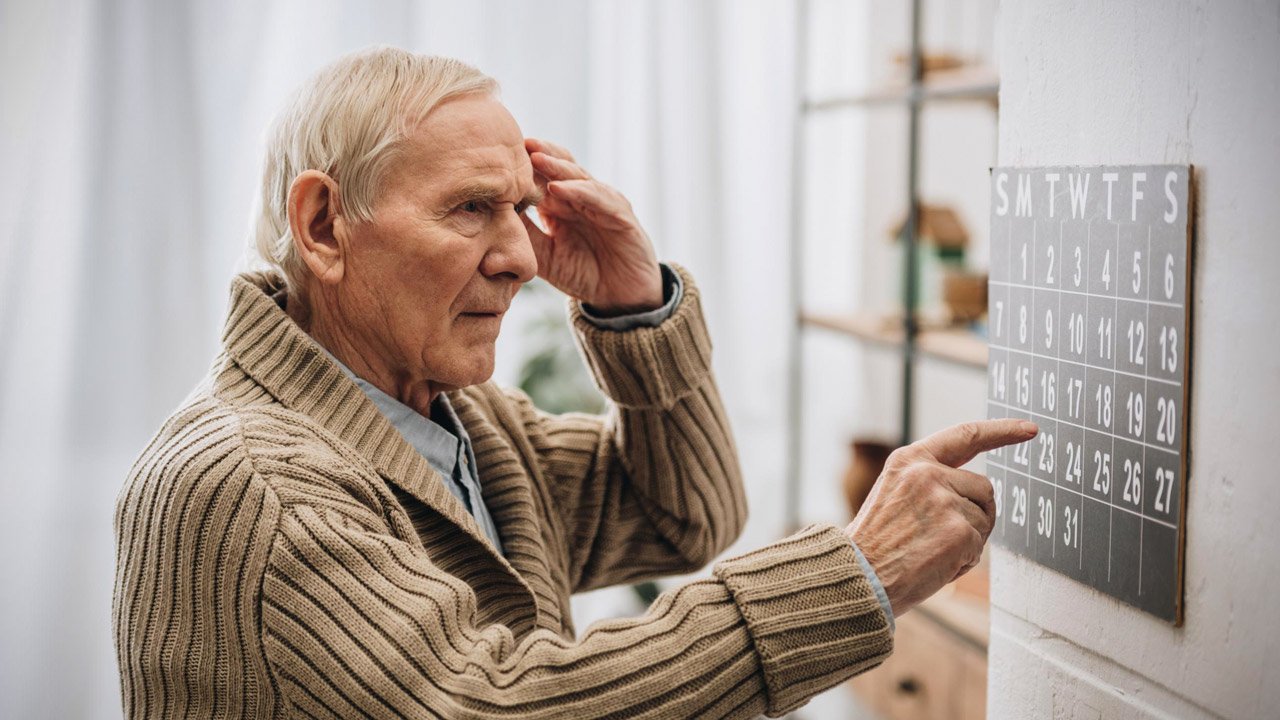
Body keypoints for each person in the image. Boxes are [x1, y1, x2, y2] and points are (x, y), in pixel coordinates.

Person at [112, 47, 1035, 719]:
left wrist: (638, 310)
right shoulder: (245, 481)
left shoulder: (458, 423)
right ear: (322, 225)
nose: (520, 256)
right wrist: (856, 574)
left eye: (519, 207)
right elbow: (496, 707)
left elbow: (684, 514)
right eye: (472, 207)